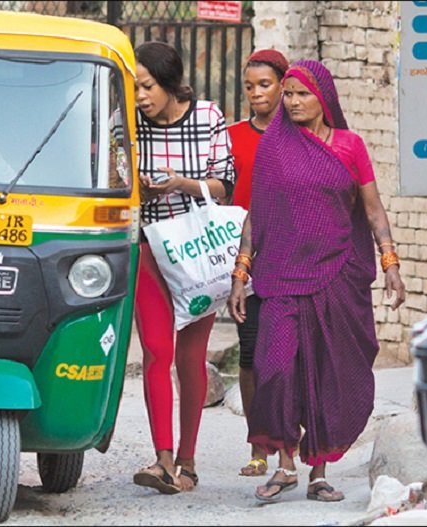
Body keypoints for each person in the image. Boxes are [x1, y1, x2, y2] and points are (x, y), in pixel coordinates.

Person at [227, 59, 406, 503]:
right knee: (274, 368)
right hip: (283, 276)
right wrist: (240, 273)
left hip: (338, 274)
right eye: (287, 94)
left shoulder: (350, 145)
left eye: (301, 94)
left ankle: (318, 472)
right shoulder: (273, 147)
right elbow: (257, 214)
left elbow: (372, 208)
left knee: (328, 374)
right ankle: (285, 464)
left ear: (323, 97)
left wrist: (390, 263)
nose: (292, 102)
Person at [131, 41, 235, 495]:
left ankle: (188, 462)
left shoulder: (209, 117)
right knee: (157, 351)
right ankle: (162, 460)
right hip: (150, 251)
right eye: (134, 87)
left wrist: (181, 184)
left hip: (196, 252)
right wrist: (139, 187)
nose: (139, 97)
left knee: (191, 357)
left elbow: (224, 184)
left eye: (147, 86)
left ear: (170, 84)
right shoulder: (132, 123)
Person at [227, 48, 290, 479]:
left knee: (285, 356)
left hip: (291, 257)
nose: (256, 94)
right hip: (243, 260)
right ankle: (258, 446)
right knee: (249, 353)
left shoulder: (301, 135)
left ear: (284, 85)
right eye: (249, 86)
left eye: (264, 84)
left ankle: (290, 439)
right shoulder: (232, 136)